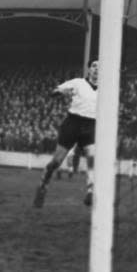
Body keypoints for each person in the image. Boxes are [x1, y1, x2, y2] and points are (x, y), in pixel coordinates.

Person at [34, 59, 98, 208]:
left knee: (92, 159)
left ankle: (90, 192)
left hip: (91, 125)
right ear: (89, 69)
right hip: (73, 123)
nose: (96, 69)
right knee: (56, 161)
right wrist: (58, 92)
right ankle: (43, 185)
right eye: (94, 66)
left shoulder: (106, 89)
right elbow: (56, 90)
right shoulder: (78, 83)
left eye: (100, 67)